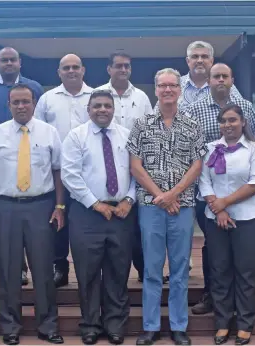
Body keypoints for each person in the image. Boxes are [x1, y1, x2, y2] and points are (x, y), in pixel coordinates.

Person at [127, 68, 207, 346]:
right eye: (163, 85)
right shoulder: (141, 124)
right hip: (151, 206)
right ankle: (150, 326)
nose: (168, 90)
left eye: (173, 85)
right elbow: (135, 166)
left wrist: (173, 195)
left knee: (180, 267)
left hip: (182, 207)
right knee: (151, 268)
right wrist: (161, 196)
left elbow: (197, 165)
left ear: (179, 89)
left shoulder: (192, 124)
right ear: (156, 89)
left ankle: (178, 325)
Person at [0, 84, 65, 345]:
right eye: (16, 102)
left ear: (34, 103)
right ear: (9, 104)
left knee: (43, 268)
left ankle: (47, 325)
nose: (21, 106)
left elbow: (58, 172)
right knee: (7, 269)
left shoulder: (50, 132)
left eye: (26, 102)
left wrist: (60, 206)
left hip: (41, 205)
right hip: (6, 207)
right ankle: (10, 327)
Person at [61, 89, 136, 345]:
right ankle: (90, 325)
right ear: (88, 109)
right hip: (87, 213)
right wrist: (95, 204)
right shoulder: (76, 136)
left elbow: (138, 172)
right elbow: (70, 175)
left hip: (121, 213)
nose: (102, 110)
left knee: (118, 270)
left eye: (106, 105)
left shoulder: (127, 136)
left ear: (113, 108)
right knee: (88, 271)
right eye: (97, 106)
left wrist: (129, 199)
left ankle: (115, 323)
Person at [187, 63, 255, 315]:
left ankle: (241, 300)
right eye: (215, 76)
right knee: (213, 246)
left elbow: (252, 144)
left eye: (224, 76)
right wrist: (214, 203)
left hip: (240, 195)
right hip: (208, 193)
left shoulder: (246, 107)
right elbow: (193, 152)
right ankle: (211, 295)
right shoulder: (193, 110)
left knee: (241, 251)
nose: (220, 80)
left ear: (231, 79)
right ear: (209, 79)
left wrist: (226, 202)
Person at [0, 47, 43, 285]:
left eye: (13, 59)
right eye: (5, 60)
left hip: (27, 158)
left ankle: (22, 269)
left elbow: (38, 122)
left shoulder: (34, 87)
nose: (9, 63)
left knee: (25, 218)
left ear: (20, 62)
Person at [199, 104, 255, 346]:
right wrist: (219, 209)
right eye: (223, 121)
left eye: (232, 120)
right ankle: (222, 322)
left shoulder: (254, 149)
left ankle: (245, 323)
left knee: (246, 272)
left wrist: (224, 203)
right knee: (220, 271)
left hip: (247, 218)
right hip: (216, 219)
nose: (227, 125)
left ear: (243, 122)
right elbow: (203, 181)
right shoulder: (210, 149)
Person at [34, 53, 93, 288]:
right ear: (59, 72)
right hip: (55, 172)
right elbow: (36, 131)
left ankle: (88, 267)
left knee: (84, 222)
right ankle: (59, 266)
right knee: (57, 221)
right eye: (66, 68)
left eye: (75, 67)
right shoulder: (47, 99)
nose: (71, 71)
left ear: (83, 70)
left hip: (88, 173)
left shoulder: (95, 96)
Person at [96, 52, 155, 284]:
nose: (123, 70)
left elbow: (150, 130)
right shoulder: (98, 93)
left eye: (127, 66)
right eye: (118, 66)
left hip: (136, 166)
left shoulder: (141, 97)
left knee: (139, 225)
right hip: (107, 163)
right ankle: (109, 272)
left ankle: (143, 269)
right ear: (109, 69)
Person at [179, 41, 242, 111]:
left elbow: (241, 109)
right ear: (188, 61)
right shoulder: (176, 84)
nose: (199, 60)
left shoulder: (224, 85)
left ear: (211, 61)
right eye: (195, 56)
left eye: (204, 56)